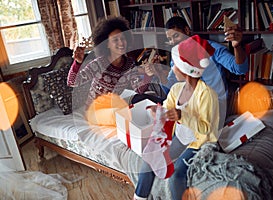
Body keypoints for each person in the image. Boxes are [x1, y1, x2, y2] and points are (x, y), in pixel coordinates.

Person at [133, 35, 219, 200]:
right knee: (150, 159)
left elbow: (206, 129)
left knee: (176, 174)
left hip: (199, 144)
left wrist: (182, 116)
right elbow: (166, 107)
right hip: (179, 138)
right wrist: (157, 110)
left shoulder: (207, 94)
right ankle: (139, 198)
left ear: (186, 69)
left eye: (176, 66)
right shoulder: (176, 89)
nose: (172, 70)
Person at [145, 16, 249, 131]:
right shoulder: (176, 56)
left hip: (212, 107)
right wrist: (159, 74)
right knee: (147, 104)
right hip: (189, 106)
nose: (173, 42)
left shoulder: (211, 48)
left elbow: (240, 69)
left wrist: (237, 46)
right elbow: (170, 90)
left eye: (176, 36)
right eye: (169, 39)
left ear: (186, 30)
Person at [67, 16, 151, 106]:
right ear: (107, 44)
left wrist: (148, 75)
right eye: (115, 40)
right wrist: (78, 62)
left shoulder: (129, 64)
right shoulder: (99, 64)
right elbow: (72, 82)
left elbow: (139, 90)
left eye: (123, 38)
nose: (121, 43)